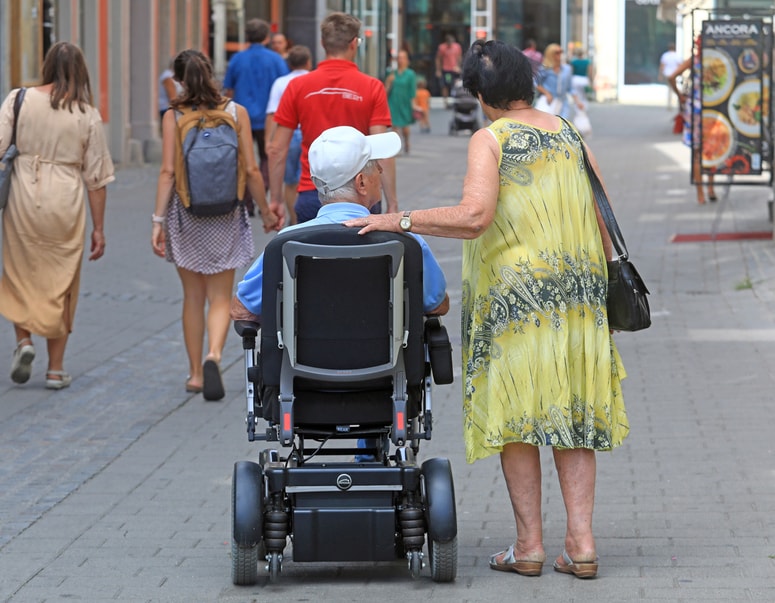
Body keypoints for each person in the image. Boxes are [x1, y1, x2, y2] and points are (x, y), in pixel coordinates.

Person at [344, 39, 629, 579]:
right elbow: (602, 219)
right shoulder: (570, 133)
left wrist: (397, 220)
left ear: (480, 95)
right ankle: (582, 543)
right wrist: (594, 294)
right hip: (577, 299)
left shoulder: (490, 139)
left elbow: (475, 216)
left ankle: (529, 546)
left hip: (515, 302)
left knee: (517, 414)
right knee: (572, 412)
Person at [152, 49, 279, 401]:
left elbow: (167, 172)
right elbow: (251, 170)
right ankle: (215, 355)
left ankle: (195, 374)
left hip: (186, 213)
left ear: (179, 80)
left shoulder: (174, 116)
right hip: (226, 213)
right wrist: (266, 211)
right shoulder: (235, 112)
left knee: (193, 296)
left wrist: (157, 221)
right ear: (210, 73)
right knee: (221, 296)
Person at [232, 125, 448, 322]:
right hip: (388, 353)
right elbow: (437, 305)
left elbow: (242, 310)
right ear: (361, 182)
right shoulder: (406, 239)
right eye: (375, 165)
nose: (381, 171)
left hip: (307, 354)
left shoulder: (285, 243)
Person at [0, 41, 115, 390]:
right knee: (63, 282)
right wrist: (99, 229)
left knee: (19, 272)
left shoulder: (19, 99)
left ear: (47, 66)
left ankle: (24, 341)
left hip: (23, 193)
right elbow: (97, 179)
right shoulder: (86, 114)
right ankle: (55, 369)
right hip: (66, 198)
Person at [267, 12, 397, 226]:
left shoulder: (298, 86)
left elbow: (276, 150)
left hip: (314, 191)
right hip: (361, 195)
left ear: (322, 43)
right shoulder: (372, 87)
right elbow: (382, 152)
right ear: (354, 43)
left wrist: (276, 200)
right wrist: (392, 203)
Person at [223, 19, 289, 215]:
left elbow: (229, 90)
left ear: (247, 36)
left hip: (241, 116)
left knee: (242, 158)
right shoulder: (276, 60)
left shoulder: (237, 59)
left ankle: (247, 201)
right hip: (270, 117)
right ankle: (263, 193)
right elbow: (285, 89)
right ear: (267, 38)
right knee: (268, 157)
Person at [265, 45, 312, 226]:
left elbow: (272, 113)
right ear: (308, 62)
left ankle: (295, 220)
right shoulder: (312, 80)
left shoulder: (280, 83)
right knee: (307, 180)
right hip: (308, 133)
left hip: (288, 135)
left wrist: (269, 140)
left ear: (289, 64)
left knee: (290, 182)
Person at [668, 39, 717, 205]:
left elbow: (671, 76)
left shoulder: (694, 61)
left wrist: (680, 95)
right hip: (712, 109)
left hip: (694, 109)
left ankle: (700, 194)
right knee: (711, 151)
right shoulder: (716, 61)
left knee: (697, 153)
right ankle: (711, 189)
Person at [535, 43, 583, 119]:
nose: (560, 54)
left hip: (563, 103)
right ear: (550, 54)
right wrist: (547, 93)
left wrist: (578, 102)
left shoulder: (567, 69)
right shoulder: (545, 68)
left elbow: (571, 88)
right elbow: (535, 82)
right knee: (547, 123)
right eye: (557, 52)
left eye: (561, 52)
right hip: (549, 102)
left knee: (563, 122)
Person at [386, 49, 417, 154]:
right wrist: (389, 82)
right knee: (394, 126)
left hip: (405, 102)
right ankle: (396, 148)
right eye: (399, 58)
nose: (401, 60)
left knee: (405, 126)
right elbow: (385, 91)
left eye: (403, 58)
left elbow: (412, 91)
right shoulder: (391, 74)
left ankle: (406, 141)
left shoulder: (410, 74)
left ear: (407, 60)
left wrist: (414, 105)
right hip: (393, 102)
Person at [435, 33, 463, 106]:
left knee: (457, 84)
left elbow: (459, 57)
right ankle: (446, 101)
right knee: (446, 85)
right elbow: (438, 59)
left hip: (455, 70)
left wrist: (458, 66)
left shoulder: (457, 46)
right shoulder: (442, 47)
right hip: (446, 70)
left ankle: (456, 100)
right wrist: (438, 70)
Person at [659, 43, 683, 110]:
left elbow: (662, 66)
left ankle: (670, 104)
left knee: (670, 89)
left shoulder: (665, 55)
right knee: (676, 88)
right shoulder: (677, 56)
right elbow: (680, 65)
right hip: (675, 74)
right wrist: (680, 74)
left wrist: (660, 74)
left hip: (668, 74)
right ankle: (679, 102)